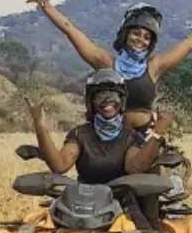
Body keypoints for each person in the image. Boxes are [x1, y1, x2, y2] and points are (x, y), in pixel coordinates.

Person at [24, 0, 192, 131]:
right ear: (126, 34)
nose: (140, 40)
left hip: (144, 139)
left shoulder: (154, 67)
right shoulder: (106, 63)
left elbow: (191, 42)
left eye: (147, 37)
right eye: (136, 33)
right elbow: (71, 30)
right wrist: (44, 3)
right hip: (109, 138)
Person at [27, 69, 173, 186]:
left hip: (122, 203)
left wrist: (158, 132)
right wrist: (40, 125)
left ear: (122, 101)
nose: (107, 100)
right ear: (91, 103)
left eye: (113, 95)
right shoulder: (79, 134)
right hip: (83, 201)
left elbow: (134, 168)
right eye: (100, 96)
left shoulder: (131, 137)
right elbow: (59, 165)